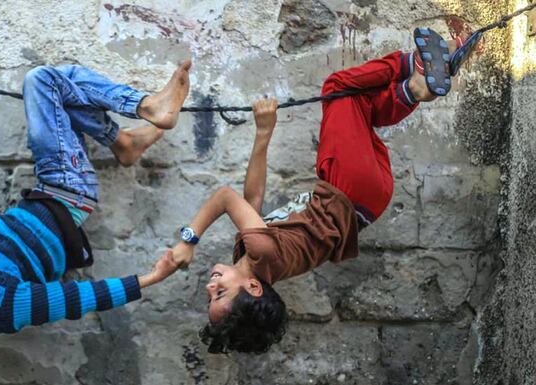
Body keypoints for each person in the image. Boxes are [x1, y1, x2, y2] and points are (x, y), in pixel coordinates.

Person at [169, 28, 476, 354]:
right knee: (338, 88)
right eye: (220, 293)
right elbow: (225, 197)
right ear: (254, 288)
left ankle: (418, 86)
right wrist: (188, 240)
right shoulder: (261, 251)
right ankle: (412, 66)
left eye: (210, 294)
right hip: (348, 189)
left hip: (367, 201)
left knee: (362, 105)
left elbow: (252, 202)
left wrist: (263, 134)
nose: (210, 284)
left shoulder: (260, 260)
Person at [0, 61, 191, 359]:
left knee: (68, 84)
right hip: (69, 192)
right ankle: (146, 107)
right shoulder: (4, 309)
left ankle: (124, 142)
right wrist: (152, 278)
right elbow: (77, 298)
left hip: (46, 189)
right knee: (41, 81)